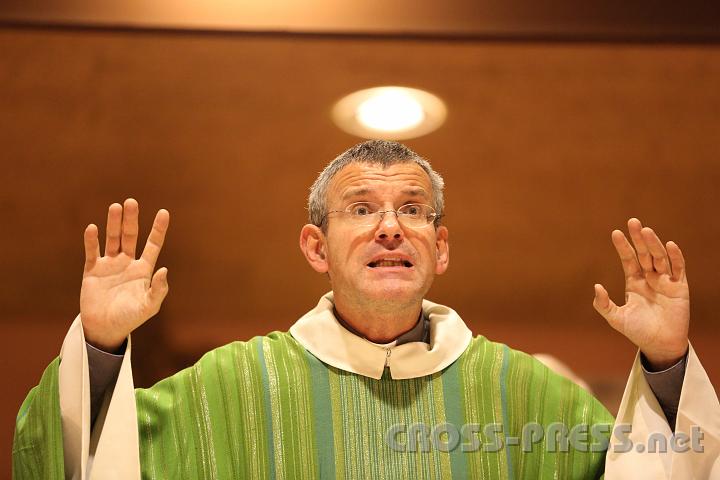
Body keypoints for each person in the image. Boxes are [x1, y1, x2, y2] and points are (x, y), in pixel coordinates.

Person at [13, 141, 719, 479]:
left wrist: (664, 366)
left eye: (412, 210)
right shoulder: (227, 391)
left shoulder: (529, 396)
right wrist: (102, 347)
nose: (390, 227)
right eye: (362, 209)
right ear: (316, 248)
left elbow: (649, 468)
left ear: (440, 249)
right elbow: (89, 460)